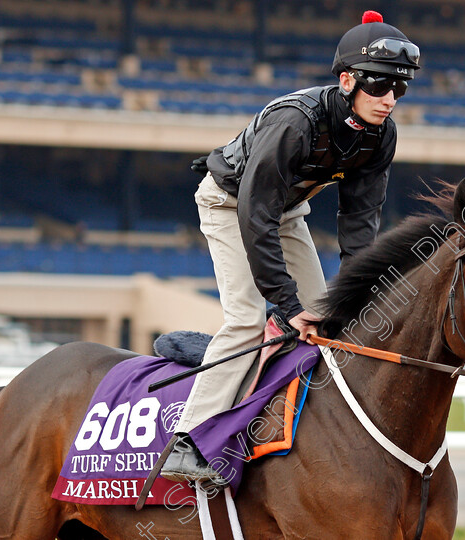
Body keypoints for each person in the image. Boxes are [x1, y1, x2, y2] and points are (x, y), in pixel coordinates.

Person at [161, 10, 421, 484]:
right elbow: (254, 217)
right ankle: (189, 438)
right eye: (381, 86)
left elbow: (360, 222)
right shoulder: (294, 123)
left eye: (399, 89)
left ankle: (287, 427)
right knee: (246, 319)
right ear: (347, 80)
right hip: (229, 204)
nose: (390, 100)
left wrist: (357, 294)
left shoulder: (381, 134)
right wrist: (284, 303)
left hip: (285, 211)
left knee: (321, 318)